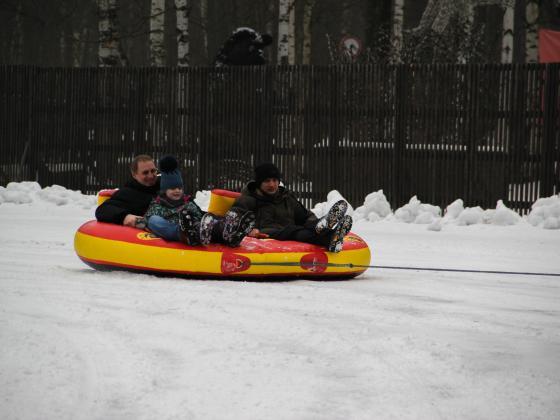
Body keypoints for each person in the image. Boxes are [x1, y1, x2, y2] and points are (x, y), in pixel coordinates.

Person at [230, 163, 353, 253]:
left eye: (275, 180)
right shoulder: (248, 199)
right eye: (267, 181)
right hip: (265, 233)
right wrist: (249, 230)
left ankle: (329, 231)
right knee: (294, 231)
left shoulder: (286, 197)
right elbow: (234, 219)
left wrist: (314, 224)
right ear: (258, 183)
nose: (272, 184)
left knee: (308, 226)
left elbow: (304, 216)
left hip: (290, 232)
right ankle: (329, 237)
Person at [143, 156, 255, 247]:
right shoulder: (158, 204)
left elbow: (202, 216)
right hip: (178, 230)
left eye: (179, 188)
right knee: (153, 220)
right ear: (164, 190)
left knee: (210, 223)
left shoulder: (188, 203)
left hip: (197, 229)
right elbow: (148, 219)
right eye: (173, 188)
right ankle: (185, 234)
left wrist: (215, 221)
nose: (177, 191)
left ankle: (229, 233)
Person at [95, 154, 160, 228]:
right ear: (134, 175)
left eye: (153, 171)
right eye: (145, 173)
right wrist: (125, 217)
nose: (151, 176)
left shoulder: (165, 185)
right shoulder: (127, 193)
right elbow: (102, 210)